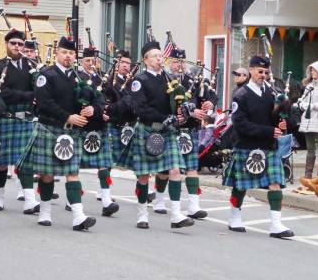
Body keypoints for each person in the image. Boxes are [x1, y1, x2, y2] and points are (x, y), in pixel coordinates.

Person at [110, 41, 194, 230]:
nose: (159, 59)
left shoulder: (169, 79)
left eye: (160, 56)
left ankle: (176, 215)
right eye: (155, 56)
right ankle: (142, 214)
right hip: (148, 129)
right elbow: (140, 108)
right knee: (143, 177)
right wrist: (165, 117)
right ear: (146, 60)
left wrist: (183, 108)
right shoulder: (140, 80)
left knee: (174, 170)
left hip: (167, 131)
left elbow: (175, 102)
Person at [19, 37, 99, 231]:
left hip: (71, 133)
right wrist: (67, 117)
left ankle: (78, 216)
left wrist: (93, 109)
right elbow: (44, 102)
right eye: (64, 52)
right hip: (50, 128)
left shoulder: (80, 77)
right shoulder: (46, 75)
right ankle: (45, 212)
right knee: (47, 175)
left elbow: (97, 97)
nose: (68, 56)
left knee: (73, 173)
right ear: (57, 53)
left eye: (71, 53)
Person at [223, 55, 294, 239]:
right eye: (260, 71)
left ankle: (276, 224)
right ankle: (235, 216)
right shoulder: (241, 95)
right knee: (240, 186)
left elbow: (275, 117)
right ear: (251, 70)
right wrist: (269, 131)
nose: (263, 75)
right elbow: (240, 125)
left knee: (275, 183)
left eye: (266, 72)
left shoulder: (271, 93)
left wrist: (281, 122)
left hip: (268, 146)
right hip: (247, 145)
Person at [151, 48, 215, 219]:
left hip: (191, 130)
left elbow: (205, 99)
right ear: (169, 62)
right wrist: (189, 112)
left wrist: (208, 104)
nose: (179, 65)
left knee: (192, 167)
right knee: (166, 169)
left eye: (182, 62)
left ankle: (193, 206)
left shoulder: (193, 81)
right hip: (172, 129)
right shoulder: (164, 80)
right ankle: (158, 200)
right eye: (176, 61)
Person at [0, 29, 40, 213]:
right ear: (7, 44)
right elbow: (1, 92)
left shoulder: (32, 65)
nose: (17, 47)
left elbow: (39, 89)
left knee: (25, 161)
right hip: (6, 118)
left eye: (20, 44)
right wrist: (28, 95)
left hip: (25, 119)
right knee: (1, 162)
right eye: (13, 43)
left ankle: (30, 200)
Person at [78, 47, 119, 217]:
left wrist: (107, 111)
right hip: (81, 125)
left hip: (99, 125)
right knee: (74, 166)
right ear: (82, 62)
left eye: (93, 61)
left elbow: (110, 99)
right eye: (87, 60)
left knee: (104, 165)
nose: (91, 63)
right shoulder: (76, 77)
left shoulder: (102, 78)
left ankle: (107, 200)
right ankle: (72, 199)